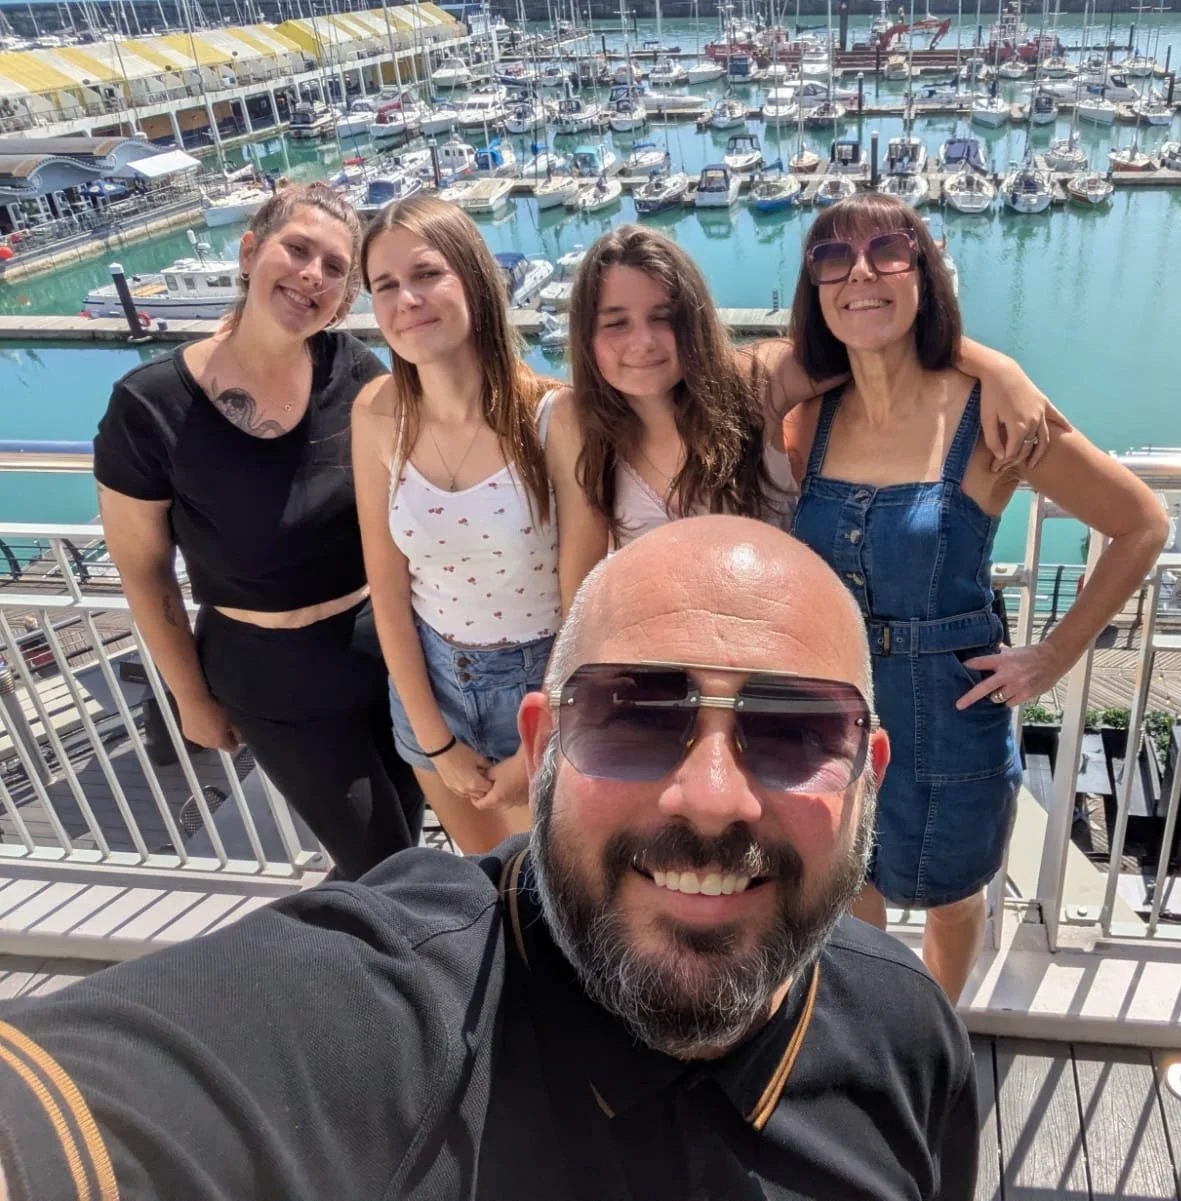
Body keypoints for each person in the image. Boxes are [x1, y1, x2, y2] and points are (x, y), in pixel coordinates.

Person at [0, 517, 978, 1201]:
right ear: (541, 748)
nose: (712, 795)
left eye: (794, 730)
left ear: (866, 774)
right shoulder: (389, 1017)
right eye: (635, 714)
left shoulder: (907, 1034)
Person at [786, 193, 1170, 1001]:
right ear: (814, 287)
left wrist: (1055, 655)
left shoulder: (989, 417)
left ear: (923, 273)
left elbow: (1141, 523)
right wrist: (993, 356)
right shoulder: (806, 419)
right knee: (852, 888)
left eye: (888, 252)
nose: (861, 273)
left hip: (949, 708)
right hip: (836, 703)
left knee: (953, 895)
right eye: (834, 259)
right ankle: (874, 1040)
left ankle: (938, 1035)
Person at [92, 182, 423, 880]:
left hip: (382, 651)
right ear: (249, 252)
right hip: (270, 677)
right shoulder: (148, 407)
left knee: (405, 832)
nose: (313, 275)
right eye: (297, 250)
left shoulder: (352, 370)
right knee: (384, 859)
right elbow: (144, 569)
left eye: (335, 268)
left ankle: (358, 957)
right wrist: (189, 698)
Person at [353, 196, 607, 853]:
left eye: (427, 273)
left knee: (553, 889)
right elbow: (387, 589)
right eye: (385, 285)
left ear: (473, 277)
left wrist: (543, 731)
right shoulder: (377, 413)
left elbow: (583, 601)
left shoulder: (558, 418)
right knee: (484, 884)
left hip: (539, 682)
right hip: (428, 685)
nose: (407, 298)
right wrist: (434, 737)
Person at [558, 223, 1056, 548]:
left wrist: (995, 367)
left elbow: (860, 338)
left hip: (780, 670)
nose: (642, 341)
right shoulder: (587, 430)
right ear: (587, 336)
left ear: (694, 319)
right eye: (615, 323)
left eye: (663, 316)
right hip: (670, 682)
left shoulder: (752, 385)